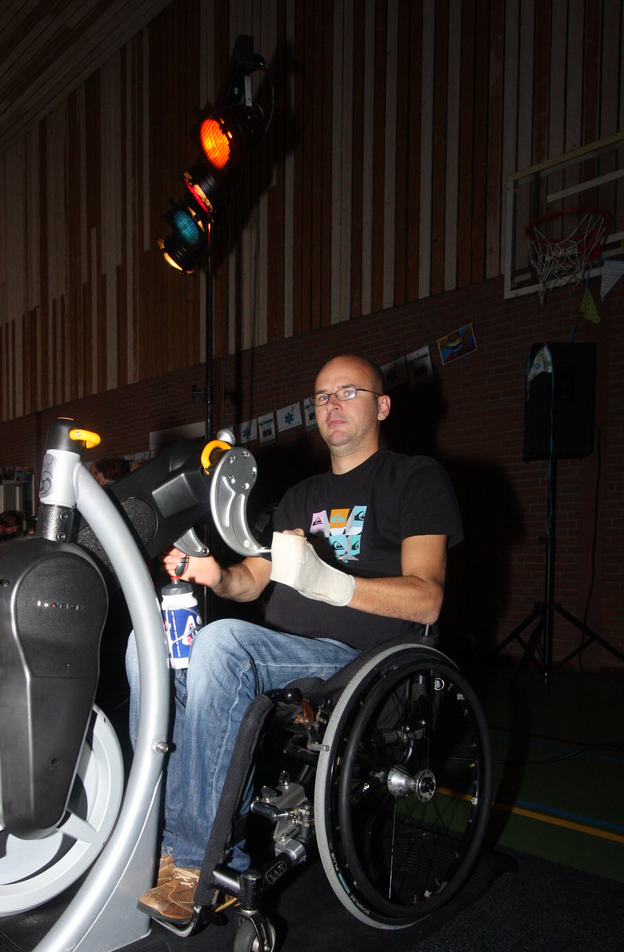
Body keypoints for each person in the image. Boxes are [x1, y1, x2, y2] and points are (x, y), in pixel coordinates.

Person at [127, 354, 463, 922]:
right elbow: (251, 580)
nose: (332, 404)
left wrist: (329, 582)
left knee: (221, 646)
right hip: (277, 650)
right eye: (322, 396)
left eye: (348, 392)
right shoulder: (301, 496)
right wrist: (215, 574)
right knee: (147, 649)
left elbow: (427, 598)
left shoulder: (414, 478)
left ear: (382, 406)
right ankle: (152, 837)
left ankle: (199, 862)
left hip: (357, 662)